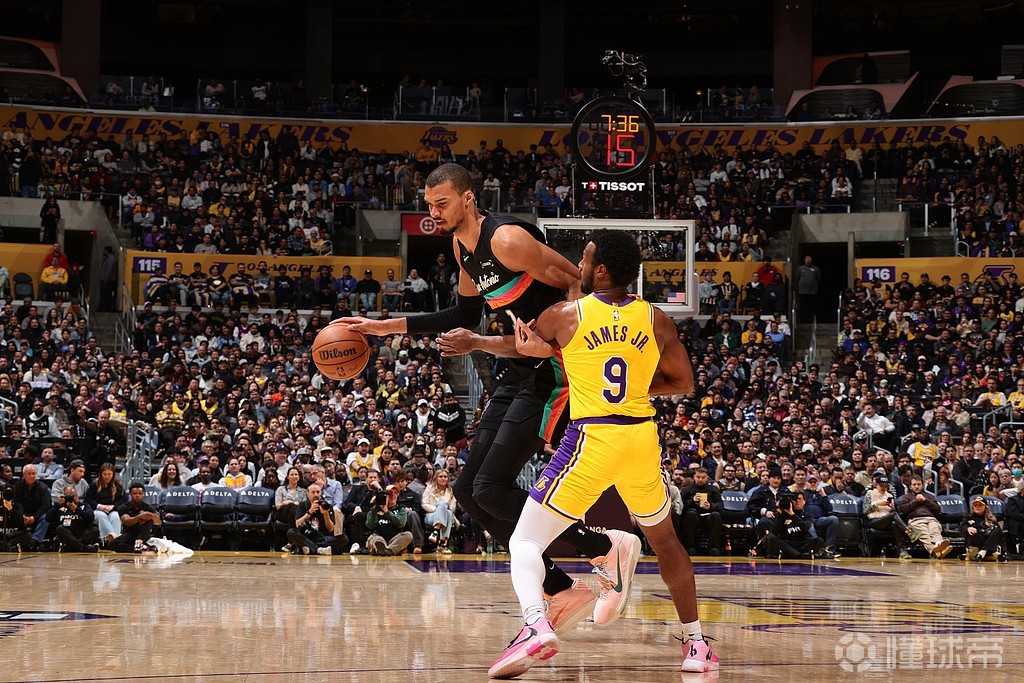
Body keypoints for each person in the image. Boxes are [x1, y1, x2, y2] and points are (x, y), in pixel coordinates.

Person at [336, 163, 622, 622]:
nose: (434, 212)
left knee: (490, 487)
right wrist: (383, 327)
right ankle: (561, 588)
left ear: (468, 198)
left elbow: (577, 282)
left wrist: (561, 340)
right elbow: (465, 316)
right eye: (429, 205)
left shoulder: (506, 239)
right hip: (518, 367)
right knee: (469, 492)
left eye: (442, 203)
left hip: (554, 370)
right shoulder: (461, 246)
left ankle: (604, 547)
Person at [496, 230, 718, 678]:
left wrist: (481, 342)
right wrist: (634, 387)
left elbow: (521, 348)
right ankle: (696, 644)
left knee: (525, 541)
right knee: (666, 542)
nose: (578, 263)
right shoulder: (656, 319)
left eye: (584, 257)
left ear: (599, 270)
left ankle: (535, 624)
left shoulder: (566, 314)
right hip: (641, 438)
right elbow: (684, 382)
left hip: (593, 438)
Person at [896, 475, 953, 558]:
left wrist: (925, 500)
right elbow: (902, 509)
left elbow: (938, 509)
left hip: (930, 519)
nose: (917, 486)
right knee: (924, 534)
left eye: (919, 484)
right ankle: (934, 551)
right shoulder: (906, 497)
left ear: (922, 485)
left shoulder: (929, 496)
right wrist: (915, 501)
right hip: (915, 520)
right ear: (910, 486)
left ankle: (939, 545)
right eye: (914, 484)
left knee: (935, 531)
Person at [286, 482, 348, 556]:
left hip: (323, 537)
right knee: (291, 532)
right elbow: (298, 524)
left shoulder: (326, 506)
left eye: (318, 492)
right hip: (307, 535)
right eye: (313, 492)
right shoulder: (302, 505)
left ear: (321, 493)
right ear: (308, 494)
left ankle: (309, 548)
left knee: (344, 538)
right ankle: (319, 550)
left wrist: (326, 514)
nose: (316, 495)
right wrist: (309, 512)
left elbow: (330, 529)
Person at [763, 490, 824, 559]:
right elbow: (774, 532)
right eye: (794, 499)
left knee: (819, 540)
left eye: (799, 499)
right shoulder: (783, 515)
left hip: (802, 543)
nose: (797, 501)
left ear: (804, 501)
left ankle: (791, 554)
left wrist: (792, 514)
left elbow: (805, 527)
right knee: (771, 538)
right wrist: (780, 514)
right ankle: (799, 555)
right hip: (788, 543)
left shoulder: (808, 515)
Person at [678, 467, 723, 555]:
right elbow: (682, 506)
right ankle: (690, 547)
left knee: (716, 515)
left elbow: (720, 505)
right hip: (693, 516)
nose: (700, 479)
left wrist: (710, 506)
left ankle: (714, 548)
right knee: (690, 514)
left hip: (708, 515)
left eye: (703, 477)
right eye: (698, 477)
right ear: (694, 477)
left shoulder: (714, 489)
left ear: (707, 478)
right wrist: (693, 500)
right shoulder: (687, 489)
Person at [109, 482, 161, 553]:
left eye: (140, 493)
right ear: (130, 494)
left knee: (148, 521)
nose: (137, 495)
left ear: (143, 494)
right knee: (112, 544)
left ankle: (139, 543)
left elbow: (158, 522)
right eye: (135, 493)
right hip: (130, 533)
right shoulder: (123, 507)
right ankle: (142, 548)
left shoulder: (148, 507)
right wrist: (140, 516)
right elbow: (127, 522)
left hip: (144, 534)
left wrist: (150, 516)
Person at [47, 485, 100, 552]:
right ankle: (83, 548)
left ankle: (71, 547)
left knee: (95, 530)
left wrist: (76, 509)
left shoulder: (84, 506)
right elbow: (47, 518)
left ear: (77, 496)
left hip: (82, 534)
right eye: (68, 496)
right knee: (60, 528)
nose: (71, 498)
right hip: (68, 534)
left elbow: (91, 518)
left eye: (73, 496)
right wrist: (57, 505)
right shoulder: (59, 507)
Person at [366, 484, 413, 556]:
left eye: (396, 493)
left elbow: (401, 523)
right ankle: (388, 550)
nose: (393, 495)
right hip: (379, 537)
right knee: (374, 538)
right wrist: (373, 510)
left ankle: (384, 550)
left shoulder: (401, 508)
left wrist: (387, 512)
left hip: (394, 539)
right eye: (390, 493)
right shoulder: (376, 508)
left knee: (408, 535)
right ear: (385, 496)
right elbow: (370, 525)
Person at [85, 463, 125, 545]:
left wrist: (113, 506)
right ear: (101, 474)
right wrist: (99, 506)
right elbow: (88, 500)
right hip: (97, 510)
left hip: (112, 510)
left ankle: (113, 540)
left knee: (115, 517)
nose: (107, 477)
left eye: (109, 474)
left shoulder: (118, 485)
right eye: (105, 474)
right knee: (101, 516)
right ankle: (113, 540)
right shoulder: (94, 485)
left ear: (113, 474)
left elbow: (123, 500)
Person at [422, 469, 458, 554]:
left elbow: (452, 508)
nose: (443, 479)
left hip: (448, 515)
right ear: (436, 478)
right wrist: (438, 509)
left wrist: (442, 509)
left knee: (448, 512)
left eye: (445, 477)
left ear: (448, 479)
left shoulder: (451, 491)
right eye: (440, 477)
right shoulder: (429, 488)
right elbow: (424, 504)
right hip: (431, 515)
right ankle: (443, 544)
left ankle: (435, 532)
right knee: (442, 506)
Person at [961, 496, 1003, 561]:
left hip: (988, 540)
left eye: (980, 505)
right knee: (974, 532)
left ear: (985, 507)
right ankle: (990, 552)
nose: (977, 507)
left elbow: (998, 534)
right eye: (975, 505)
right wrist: (967, 528)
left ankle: (983, 551)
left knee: (997, 530)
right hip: (977, 543)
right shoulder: (968, 517)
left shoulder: (991, 518)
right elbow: (962, 528)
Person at [0, 486, 35, 552]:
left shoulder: (18, 506)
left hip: (14, 534)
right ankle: (11, 548)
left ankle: (8, 547)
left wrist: (11, 509)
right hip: (1, 535)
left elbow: (21, 522)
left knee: (27, 535)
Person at [795, 255, 821, 322]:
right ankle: (803, 320)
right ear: (804, 260)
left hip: (812, 292)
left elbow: (818, 279)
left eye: (809, 259)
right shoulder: (800, 268)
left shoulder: (816, 269)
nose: (808, 260)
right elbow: (797, 278)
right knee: (803, 306)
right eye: (807, 259)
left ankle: (811, 320)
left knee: (811, 306)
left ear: (812, 260)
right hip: (802, 292)